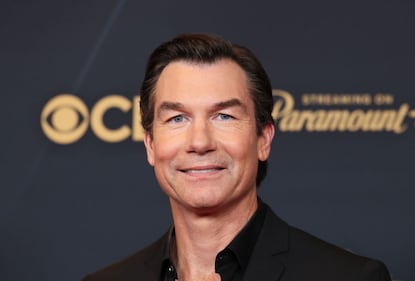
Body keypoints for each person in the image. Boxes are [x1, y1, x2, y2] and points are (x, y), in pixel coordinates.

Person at [82, 33, 391, 281]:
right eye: (177, 118)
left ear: (263, 139)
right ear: (150, 144)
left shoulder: (350, 277)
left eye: (224, 116)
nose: (199, 142)